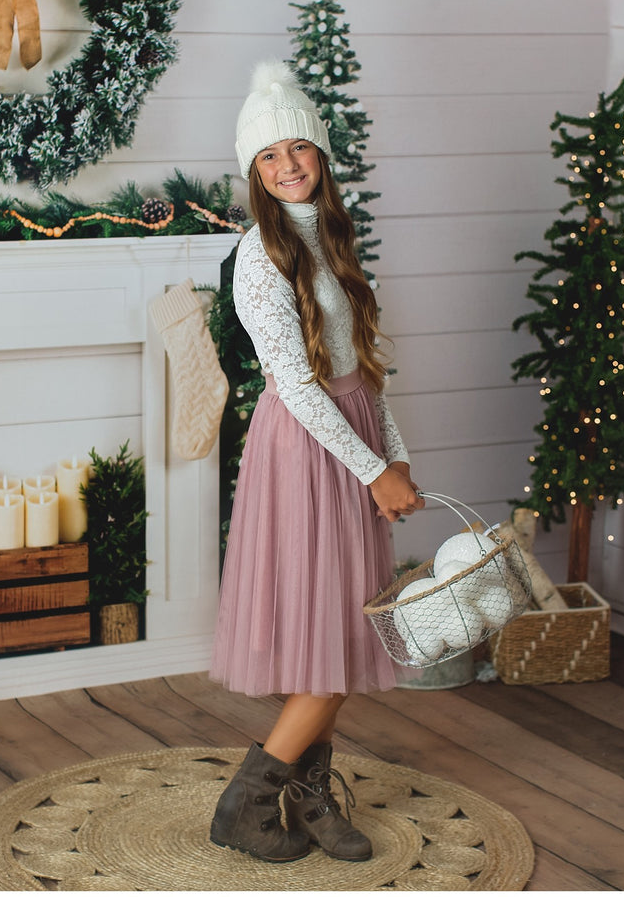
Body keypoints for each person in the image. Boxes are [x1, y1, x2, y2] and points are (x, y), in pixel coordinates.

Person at [208, 61, 425, 864]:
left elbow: (358, 364)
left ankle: (304, 795)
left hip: (354, 427)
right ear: (254, 172)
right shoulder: (258, 259)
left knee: (345, 629)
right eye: (269, 155)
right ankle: (246, 801)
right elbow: (297, 385)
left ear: (321, 157)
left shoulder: (333, 236)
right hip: (307, 446)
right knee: (335, 637)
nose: (288, 163)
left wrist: (394, 454)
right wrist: (372, 468)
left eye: (299, 147)